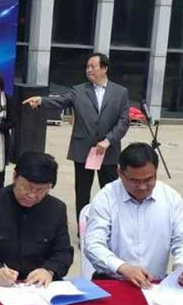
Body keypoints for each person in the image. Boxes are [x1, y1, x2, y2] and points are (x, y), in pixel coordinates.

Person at [23, 52, 129, 226]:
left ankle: (112, 227)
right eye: (87, 67)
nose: (89, 70)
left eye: (93, 66)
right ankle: (83, 229)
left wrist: (108, 140)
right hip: (83, 149)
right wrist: (41, 100)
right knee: (82, 192)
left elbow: (123, 121)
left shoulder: (120, 92)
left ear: (104, 68)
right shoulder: (79, 90)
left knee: (111, 191)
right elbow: (61, 101)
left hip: (108, 150)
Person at [84, 143, 183, 288]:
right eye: (135, 181)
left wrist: (182, 263)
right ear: (120, 173)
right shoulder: (105, 198)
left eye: (149, 179)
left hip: (155, 284)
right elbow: (93, 244)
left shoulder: (171, 198)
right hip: (114, 281)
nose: (142, 187)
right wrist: (123, 268)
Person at [0, 152, 74, 286]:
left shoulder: (57, 209)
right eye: (27, 187)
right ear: (15, 177)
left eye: (40, 190)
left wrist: (49, 271)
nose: (32, 195)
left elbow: (63, 253)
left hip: (38, 287)